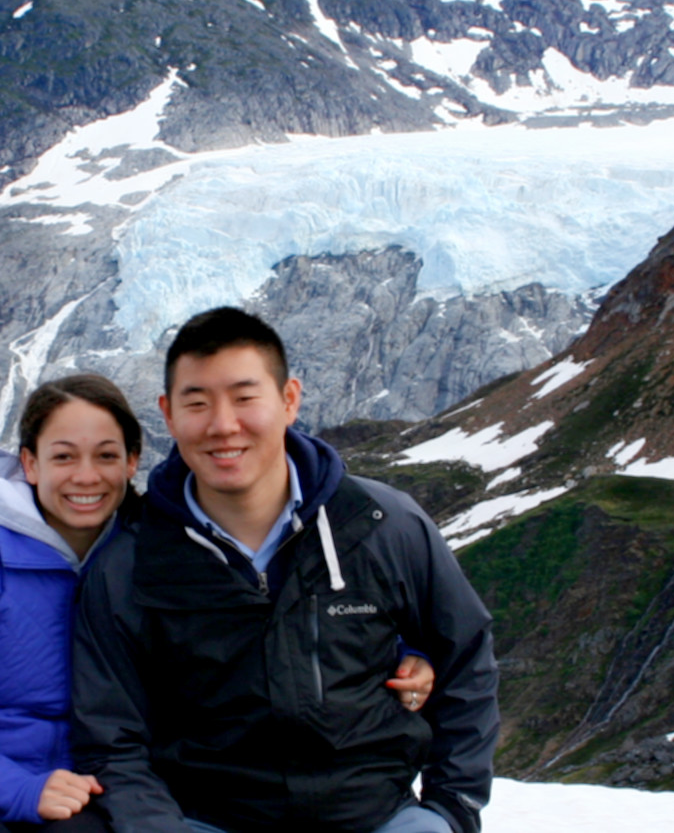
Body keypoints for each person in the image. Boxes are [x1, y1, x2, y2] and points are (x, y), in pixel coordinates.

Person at [0, 373, 434, 833]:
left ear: (133, 461)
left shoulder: (157, 551)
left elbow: (269, 612)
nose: (86, 477)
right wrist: (21, 788)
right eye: (63, 457)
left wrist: (403, 651)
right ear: (29, 464)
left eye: (106, 455)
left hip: (84, 788)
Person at [70, 308, 499, 833]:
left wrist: (451, 807)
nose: (223, 425)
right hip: (206, 821)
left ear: (289, 400)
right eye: (197, 403)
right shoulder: (129, 564)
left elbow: (466, 658)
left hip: (379, 819)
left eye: (246, 397)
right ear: (168, 414)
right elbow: (112, 740)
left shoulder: (381, 525)